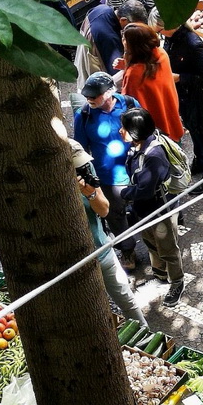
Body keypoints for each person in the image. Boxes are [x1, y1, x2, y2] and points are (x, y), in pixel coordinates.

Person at [69, 140, 148, 327]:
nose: (82, 168)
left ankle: (146, 334)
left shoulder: (85, 169)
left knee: (127, 300)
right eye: (76, 166)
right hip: (76, 262)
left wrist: (90, 193)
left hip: (102, 249)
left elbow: (104, 210)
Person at [73, 71, 140, 271]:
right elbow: (81, 150)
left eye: (95, 95)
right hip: (108, 177)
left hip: (136, 169)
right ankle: (127, 248)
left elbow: (142, 128)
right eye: (87, 96)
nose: (89, 99)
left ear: (110, 92)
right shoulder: (83, 116)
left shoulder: (128, 103)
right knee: (115, 215)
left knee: (143, 205)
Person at [120, 108, 185, 307]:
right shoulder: (137, 146)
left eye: (124, 128)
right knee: (150, 241)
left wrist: (124, 194)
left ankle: (177, 282)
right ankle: (160, 272)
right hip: (145, 210)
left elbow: (145, 190)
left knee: (167, 248)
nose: (120, 131)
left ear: (135, 131)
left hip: (159, 210)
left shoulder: (153, 155)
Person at [156, 8, 203, 194]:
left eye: (160, 29)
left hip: (197, 98)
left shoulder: (192, 43)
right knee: (195, 133)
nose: (159, 33)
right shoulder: (171, 38)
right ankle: (199, 163)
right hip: (183, 96)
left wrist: (179, 78)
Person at [120, 23, 184, 144]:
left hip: (154, 133)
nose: (122, 41)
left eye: (124, 38)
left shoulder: (134, 74)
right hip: (171, 119)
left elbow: (129, 104)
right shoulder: (161, 54)